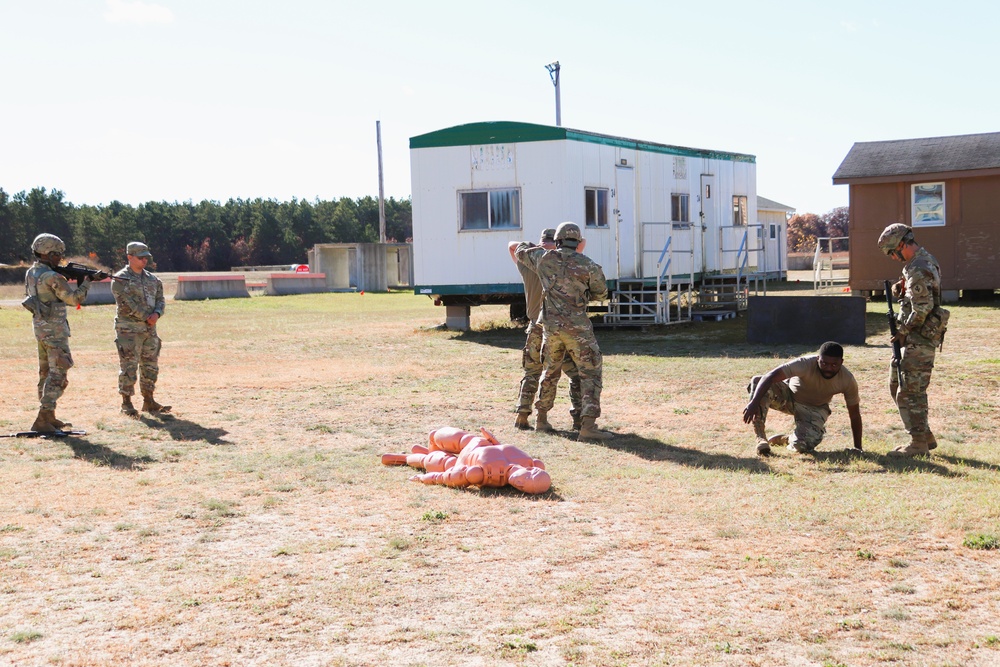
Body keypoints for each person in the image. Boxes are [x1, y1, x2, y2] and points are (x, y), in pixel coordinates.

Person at [515, 222, 611, 441]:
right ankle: (587, 426)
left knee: (549, 373)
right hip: (578, 329)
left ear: (557, 240)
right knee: (590, 373)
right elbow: (602, 293)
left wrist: (535, 246)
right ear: (577, 243)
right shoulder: (588, 265)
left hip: (551, 329)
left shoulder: (543, 258)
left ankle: (542, 420)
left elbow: (519, 250)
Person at [877, 223, 947, 458]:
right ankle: (924, 435)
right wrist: (901, 288)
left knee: (910, 391)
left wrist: (904, 331)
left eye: (891, 252)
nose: (892, 258)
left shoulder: (918, 266)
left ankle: (918, 442)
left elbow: (923, 307)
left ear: (900, 245)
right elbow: (919, 295)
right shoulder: (921, 263)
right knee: (897, 384)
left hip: (919, 336)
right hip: (914, 336)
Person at [21, 233, 100, 432]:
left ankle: (49, 416)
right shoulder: (52, 276)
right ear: (48, 254)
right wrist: (87, 281)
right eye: (57, 254)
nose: (60, 258)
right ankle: (42, 419)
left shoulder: (32, 272)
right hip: (55, 331)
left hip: (41, 328)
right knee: (59, 374)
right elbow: (74, 300)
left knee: (46, 373)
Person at [508, 228, 582, 431]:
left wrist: (534, 248)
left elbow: (512, 246)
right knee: (574, 374)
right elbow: (581, 245)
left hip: (535, 327)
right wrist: (553, 249)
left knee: (532, 372)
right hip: (558, 329)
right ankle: (578, 418)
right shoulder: (562, 264)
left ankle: (522, 416)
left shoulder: (529, 264)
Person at [743, 341, 863, 455]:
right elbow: (769, 377)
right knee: (758, 381)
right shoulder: (804, 363)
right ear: (818, 359)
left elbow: (854, 414)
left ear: (841, 362)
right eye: (824, 363)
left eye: (834, 365)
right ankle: (761, 438)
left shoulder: (847, 380)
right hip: (788, 398)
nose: (828, 368)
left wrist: (858, 448)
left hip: (815, 408)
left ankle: (789, 439)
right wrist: (754, 402)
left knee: (802, 446)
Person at [112, 241, 170, 415]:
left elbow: (161, 299)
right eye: (140, 257)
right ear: (129, 257)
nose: (144, 261)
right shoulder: (120, 279)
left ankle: (149, 400)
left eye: (146, 257)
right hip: (128, 330)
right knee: (129, 366)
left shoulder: (153, 279)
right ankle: (127, 403)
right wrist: (147, 316)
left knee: (150, 366)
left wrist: (157, 313)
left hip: (149, 330)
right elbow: (125, 303)